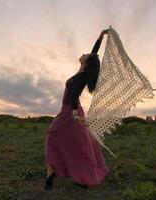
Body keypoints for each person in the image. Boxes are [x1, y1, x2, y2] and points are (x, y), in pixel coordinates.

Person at [44, 29, 109, 190]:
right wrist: (100, 37)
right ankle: (56, 173)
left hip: (70, 112)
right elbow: (94, 55)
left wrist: (73, 113)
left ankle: (57, 174)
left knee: (55, 138)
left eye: (86, 55)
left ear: (86, 62)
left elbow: (73, 95)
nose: (84, 54)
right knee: (77, 144)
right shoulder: (83, 71)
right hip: (70, 112)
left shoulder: (81, 77)